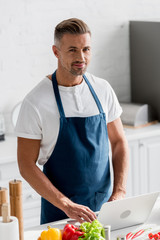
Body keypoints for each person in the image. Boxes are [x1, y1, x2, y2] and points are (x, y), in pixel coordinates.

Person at [15, 18, 129, 225]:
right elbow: (25, 165)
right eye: (72, 50)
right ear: (56, 51)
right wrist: (66, 204)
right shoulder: (36, 102)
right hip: (60, 215)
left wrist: (119, 191)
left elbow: (119, 142)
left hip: (104, 211)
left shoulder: (103, 90)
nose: (81, 57)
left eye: (86, 49)